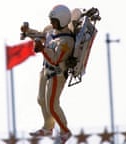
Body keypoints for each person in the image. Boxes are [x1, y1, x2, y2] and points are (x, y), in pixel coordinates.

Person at [27, 4, 75, 144]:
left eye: (54, 21)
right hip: (45, 70)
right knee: (41, 100)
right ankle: (48, 127)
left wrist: (42, 49)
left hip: (57, 75)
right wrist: (28, 31)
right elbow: (41, 35)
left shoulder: (67, 41)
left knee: (52, 105)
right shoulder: (51, 31)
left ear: (62, 20)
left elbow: (55, 59)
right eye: (51, 20)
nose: (51, 23)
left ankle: (65, 131)